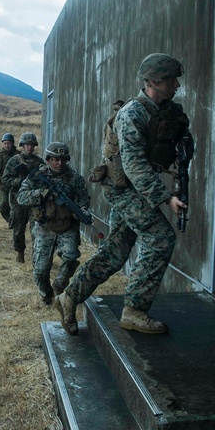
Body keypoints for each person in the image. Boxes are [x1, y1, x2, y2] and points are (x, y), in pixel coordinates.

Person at [55, 53, 191, 335]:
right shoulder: (132, 114)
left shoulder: (169, 111)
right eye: (171, 79)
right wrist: (165, 198)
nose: (177, 84)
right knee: (160, 238)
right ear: (154, 81)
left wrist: (181, 165)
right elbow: (133, 165)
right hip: (123, 188)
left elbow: (180, 142)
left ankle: (68, 297)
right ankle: (135, 311)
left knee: (115, 253)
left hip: (140, 187)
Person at [17, 142, 90, 305]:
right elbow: (21, 197)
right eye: (56, 159)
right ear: (48, 159)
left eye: (63, 160)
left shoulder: (74, 177)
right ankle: (46, 294)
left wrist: (83, 209)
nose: (60, 163)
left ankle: (59, 285)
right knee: (41, 270)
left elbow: (84, 196)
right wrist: (42, 194)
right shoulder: (37, 176)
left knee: (71, 258)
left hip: (67, 225)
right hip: (44, 226)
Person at [1, 132, 42, 263]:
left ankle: (37, 255)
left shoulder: (39, 162)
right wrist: (20, 181)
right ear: (22, 145)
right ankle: (20, 251)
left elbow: (45, 180)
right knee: (18, 229)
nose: (29, 147)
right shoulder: (14, 161)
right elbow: (5, 179)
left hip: (35, 201)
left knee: (36, 229)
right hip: (18, 200)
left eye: (31, 145)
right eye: (26, 145)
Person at [0, 133, 19, 224]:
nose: (7, 145)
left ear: (12, 143)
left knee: (17, 206)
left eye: (9, 143)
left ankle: (17, 222)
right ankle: (10, 220)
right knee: (3, 205)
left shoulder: (18, 155)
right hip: (3, 185)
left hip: (16, 184)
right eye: (5, 143)